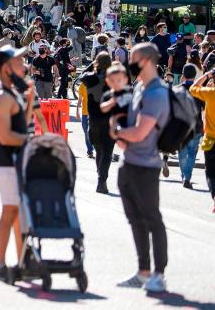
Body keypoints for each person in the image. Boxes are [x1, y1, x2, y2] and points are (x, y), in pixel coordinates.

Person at [109, 43, 169, 293]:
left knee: (152, 219)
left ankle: (158, 274)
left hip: (146, 167)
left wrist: (116, 131)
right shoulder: (139, 89)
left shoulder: (156, 93)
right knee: (135, 220)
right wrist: (120, 134)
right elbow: (130, 131)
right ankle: (143, 271)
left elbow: (141, 131)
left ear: (145, 61)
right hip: (129, 162)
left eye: (132, 59)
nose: (127, 63)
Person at [0, 45, 34, 283]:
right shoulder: (1, 95)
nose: (24, 66)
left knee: (17, 213)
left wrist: (30, 99)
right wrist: (34, 141)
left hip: (14, 160)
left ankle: (20, 260)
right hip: (7, 161)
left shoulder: (10, 91)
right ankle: (1, 264)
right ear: (6, 68)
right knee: (11, 211)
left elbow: (21, 125)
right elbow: (6, 136)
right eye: (18, 62)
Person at [98, 63, 132, 194]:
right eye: (113, 81)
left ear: (125, 79)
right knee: (106, 155)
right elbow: (103, 108)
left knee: (129, 157)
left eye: (119, 80)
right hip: (108, 130)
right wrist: (113, 101)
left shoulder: (130, 94)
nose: (116, 83)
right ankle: (102, 181)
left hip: (126, 130)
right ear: (108, 81)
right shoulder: (108, 95)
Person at [188, 69, 215, 212]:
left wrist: (206, 75)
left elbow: (193, 89)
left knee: (211, 172)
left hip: (210, 139)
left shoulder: (210, 93)